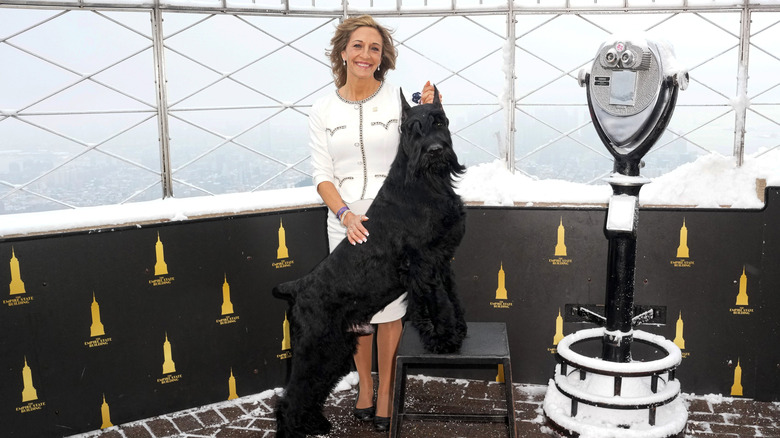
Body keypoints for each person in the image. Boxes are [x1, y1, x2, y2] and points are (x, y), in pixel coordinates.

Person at [308, 14, 439, 433]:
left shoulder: (398, 100)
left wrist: (428, 110)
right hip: (345, 224)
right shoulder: (322, 108)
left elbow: (421, 151)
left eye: (375, 48)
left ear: (383, 58)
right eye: (359, 46)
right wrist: (345, 215)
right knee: (356, 315)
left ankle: (386, 393)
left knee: (390, 311)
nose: (366, 54)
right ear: (343, 51)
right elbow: (322, 175)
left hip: (395, 223)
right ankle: (365, 385)